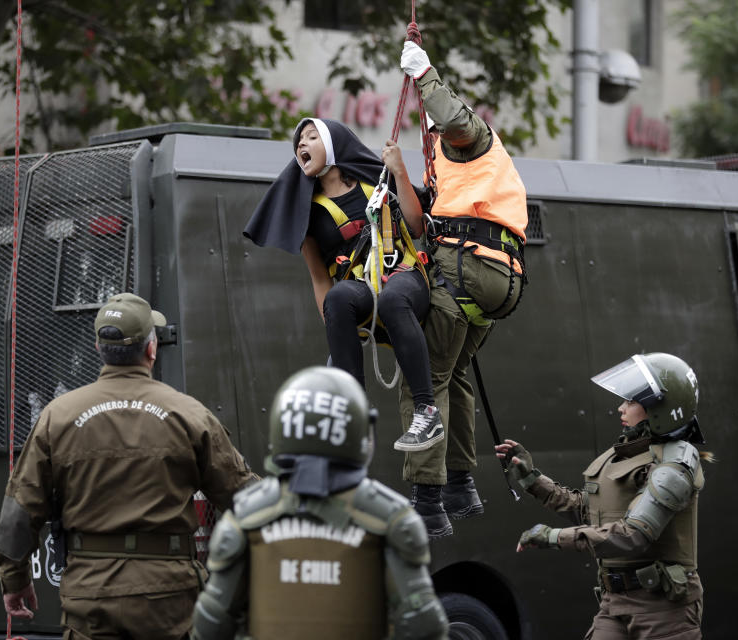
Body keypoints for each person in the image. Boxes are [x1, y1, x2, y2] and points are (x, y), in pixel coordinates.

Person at [0, 293, 257, 640]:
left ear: (99, 348)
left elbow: (19, 512)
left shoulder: (57, 417)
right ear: (151, 349)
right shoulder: (189, 415)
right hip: (170, 600)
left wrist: (14, 580)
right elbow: (246, 500)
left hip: (90, 599)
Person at [191, 366, 449, 640]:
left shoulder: (246, 517)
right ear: (360, 432)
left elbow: (211, 627)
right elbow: (424, 628)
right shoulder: (391, 519)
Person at [391, 41, 530, 537]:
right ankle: (460, 486)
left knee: (423, 372)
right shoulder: (463, 173)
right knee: (455, 373)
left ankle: (427, 503)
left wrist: (425, 73)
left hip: (469, 267)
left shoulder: (470, 140)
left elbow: (455, 120)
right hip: (499, 278)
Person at [244, 117, 445, 453]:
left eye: (311, 137)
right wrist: (337, 327)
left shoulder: (377, 183)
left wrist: (399, 172)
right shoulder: (309, 215)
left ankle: (426, 411)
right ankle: (356, 415)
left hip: (403, 276)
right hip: (360, 290)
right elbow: (320, 279)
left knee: (394, 298)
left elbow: (415, 226)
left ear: (334, 145)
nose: (302, 145)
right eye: (299, 143)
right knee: (336, 298)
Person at [495, 353, 711, 639]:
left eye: (631, 401)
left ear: (659, 408)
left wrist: (553, 537)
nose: (621, 408)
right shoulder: (625, 454)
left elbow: (631, 535)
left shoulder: (675, 465)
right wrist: (532, 479)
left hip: (663, 608)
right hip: (614, 602)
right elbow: (589, 511)